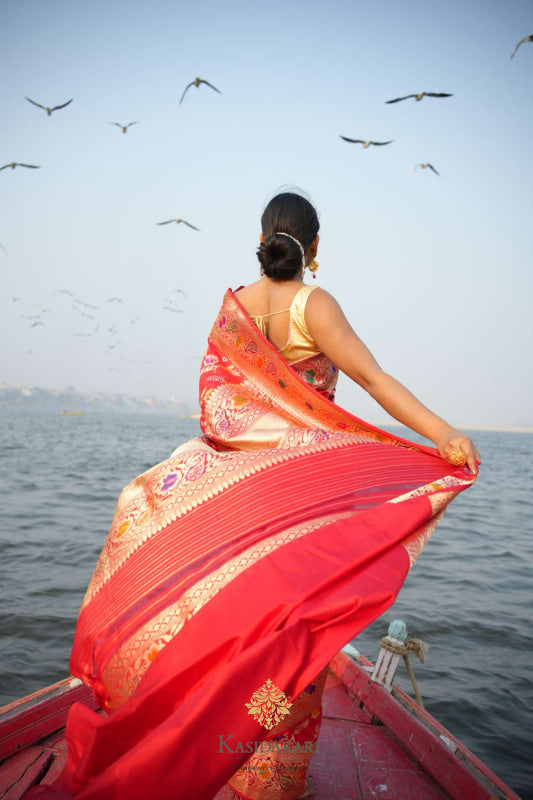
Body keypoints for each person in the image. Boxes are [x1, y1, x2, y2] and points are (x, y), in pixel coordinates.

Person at [28, 191, 479, 800]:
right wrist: (443, 434)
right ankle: (271, 784)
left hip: (235, 498)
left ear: (263, 237)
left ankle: (215, 756)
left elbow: (219, 413)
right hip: (299, 505)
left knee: (231, 629)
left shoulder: (233, 309)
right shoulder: (314, 306)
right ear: (314, 247)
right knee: (295, 635)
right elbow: (373, 379)